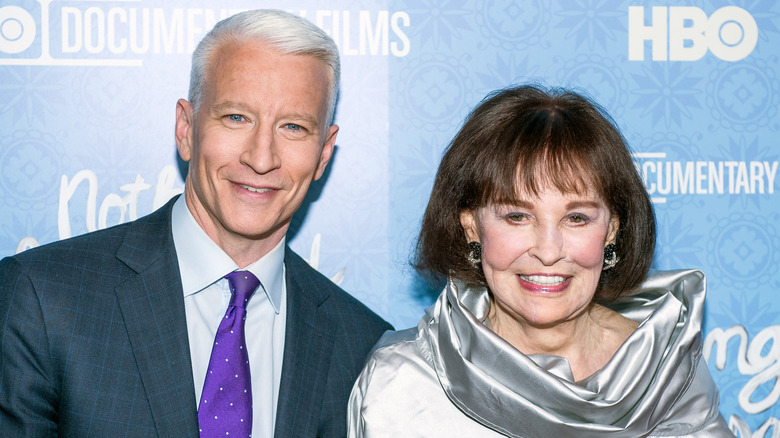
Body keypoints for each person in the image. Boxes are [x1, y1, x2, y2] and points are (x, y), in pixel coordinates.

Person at [0, 9, 391, 437]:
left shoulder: (365, 348)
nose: (261, 158)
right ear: (186, 129)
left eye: (293, 127)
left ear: (324, 153)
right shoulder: (43, 299)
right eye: (236, 117)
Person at [347, 85, 732, 437]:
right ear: (471, 228)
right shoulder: (401, 381)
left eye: (576, 218)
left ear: (612, 230)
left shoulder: (668, 372)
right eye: (517, 216)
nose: (548, 252)